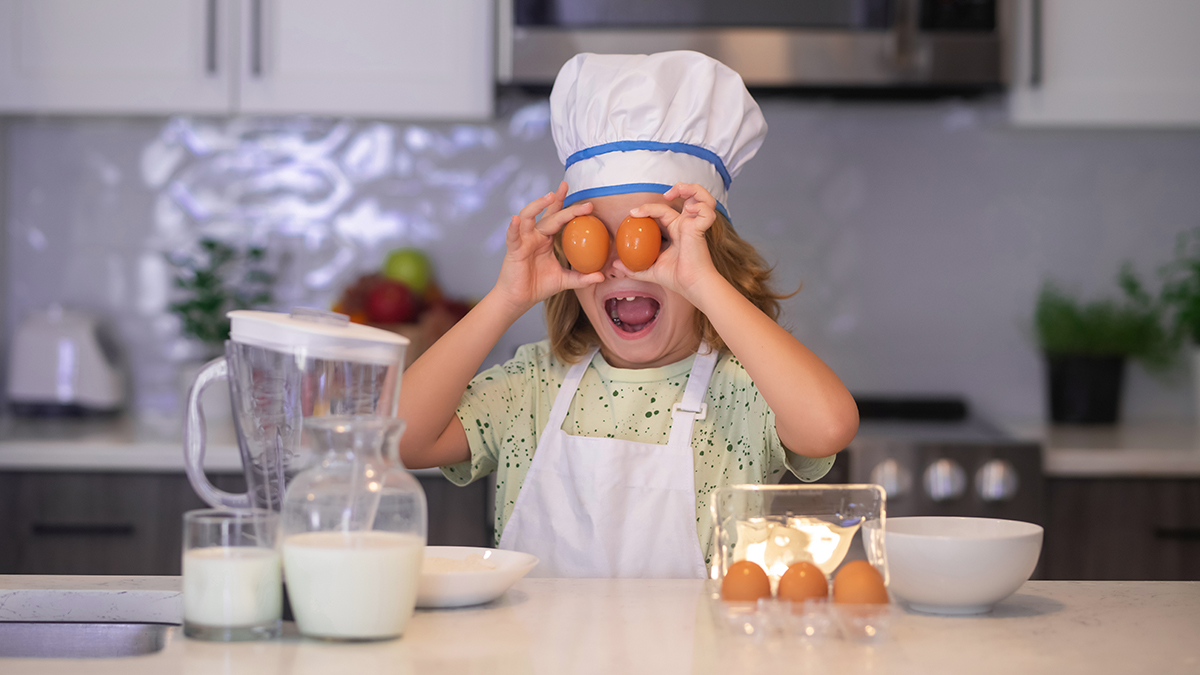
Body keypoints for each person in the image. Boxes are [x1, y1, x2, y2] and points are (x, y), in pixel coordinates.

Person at [397, 51, 858, 578]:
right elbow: (403, 438)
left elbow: (829, 427)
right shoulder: (532, 386)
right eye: (594, 239)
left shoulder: (741, 391)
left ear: (709, 252)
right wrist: (505, 297)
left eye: (655, 239)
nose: (621, 265)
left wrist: (704, 284)